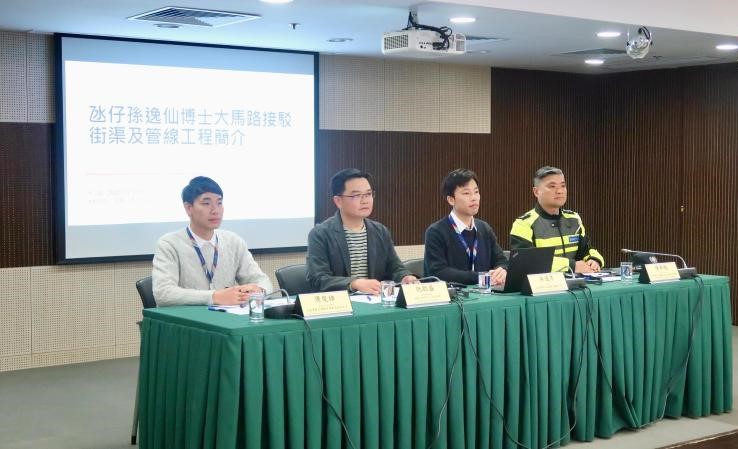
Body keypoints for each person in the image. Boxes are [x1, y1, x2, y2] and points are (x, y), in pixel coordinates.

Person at [152, 176, 272, 306]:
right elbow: (163, 293)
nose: (215, 210)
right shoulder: (169, 244)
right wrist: (214, 297)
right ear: (189, 208)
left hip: (226, 316)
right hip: (186, 317)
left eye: (219, 203)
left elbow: (262, 280)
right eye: (206, 203)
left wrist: (259, 290)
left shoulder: (234, 242)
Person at [306, 168, 417, 294]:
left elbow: (395, 268)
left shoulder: (380, 231)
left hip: (375, 300)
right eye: (356, 195)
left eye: (368, 194)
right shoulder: (320, 234)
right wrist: (354, 284)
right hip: (340, 302)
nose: (365, 200)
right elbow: (318, 278)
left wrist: (405, 277)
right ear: (338, 201)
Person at [510, 166, 604, 273]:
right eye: (552, 186)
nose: (559, 191)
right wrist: (571, 266)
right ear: (536, 192)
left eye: (563, 186)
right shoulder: (523, 224)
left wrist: (594, 260)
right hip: (543, 283)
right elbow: (526, 262)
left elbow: (587, 250)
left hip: (576, 282)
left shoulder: (574, 219)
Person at [424, 168, 508, 285]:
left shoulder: (484, 228)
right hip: (453, 295)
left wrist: (502, 270)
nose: (474, 198)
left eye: (476, 192)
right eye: (466, 193)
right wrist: (481, 277)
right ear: (451, 200)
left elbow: (501, 260)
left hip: (485, 292)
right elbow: (439, 272)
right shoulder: (436, 232)